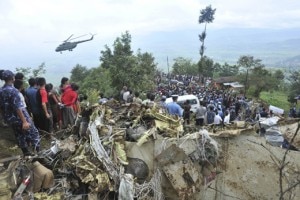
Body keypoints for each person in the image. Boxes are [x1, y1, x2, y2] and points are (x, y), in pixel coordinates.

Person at [0, 70, 40, 155]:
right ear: (12, 78)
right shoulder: (13, 91)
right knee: (34, 133)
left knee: (20, 135)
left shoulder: (1, 90)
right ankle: (38, 153)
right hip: (20, 117)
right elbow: (17, 107)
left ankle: (26, 153)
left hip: (10, 119)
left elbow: (1, 107)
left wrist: (5, 118)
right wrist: (25, 121)